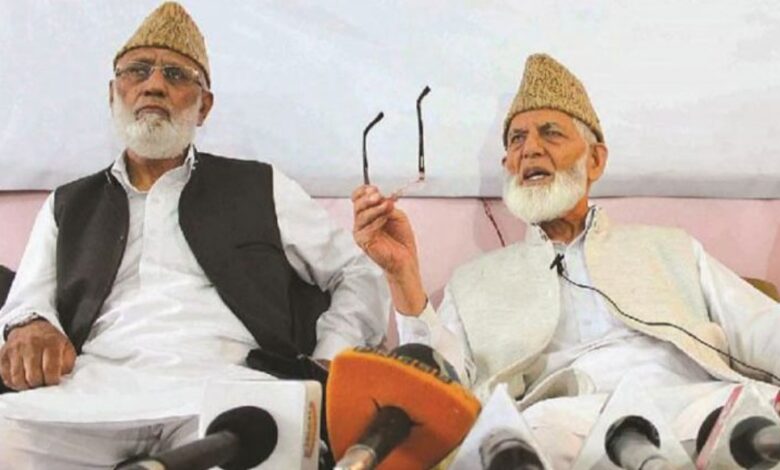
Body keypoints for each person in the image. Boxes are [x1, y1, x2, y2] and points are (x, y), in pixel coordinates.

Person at [0, 2, 388, 468]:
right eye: (137, 70)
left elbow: (357, 270)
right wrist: (31, 325)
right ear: (113, 93)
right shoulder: (69, 203)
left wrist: (331, 359)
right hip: (88, 396)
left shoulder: (262, 186)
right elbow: (26, 301)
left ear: (204, 106)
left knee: (278, 444)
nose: (155, 84)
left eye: (178, 76)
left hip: (231, 395)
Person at [352, 53, 780, 467]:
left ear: (595, 160)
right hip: (560, 425)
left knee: (755, 426)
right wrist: (403, 276)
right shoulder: (474, 282)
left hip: (695, 405)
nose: (530, 150)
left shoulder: (671, 248)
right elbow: (437, 383)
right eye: (517, 140)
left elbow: (761, 326)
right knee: (514, 445)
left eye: (551, 133)